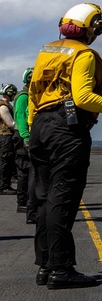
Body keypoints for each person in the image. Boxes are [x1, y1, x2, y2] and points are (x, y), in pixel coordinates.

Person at [28, 3, 102, 290]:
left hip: (40, 128)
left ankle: (45, 266)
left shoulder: (47, 51)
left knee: (44, 199)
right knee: (62, 198)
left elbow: (34, 94)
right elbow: (83, 97)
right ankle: (61, 270)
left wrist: (35, 128)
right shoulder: (83, 55)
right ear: (94, 28)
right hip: (65, 130)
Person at [14, 69, 35, 217]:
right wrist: (26, 138)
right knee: (24, 170)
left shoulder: (31, 95)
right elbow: (21, 118)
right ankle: (22, 203)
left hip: (26, 135)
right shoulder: (23, 96)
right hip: (22, 136)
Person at [0, 84, 17, 193]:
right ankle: (3, 186)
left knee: (8, 161)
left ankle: (6, 184)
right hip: (5, 137)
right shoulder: (3, 107)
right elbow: (11, 124)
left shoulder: (6, 105)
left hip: (5, 137)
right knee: (5, 161)